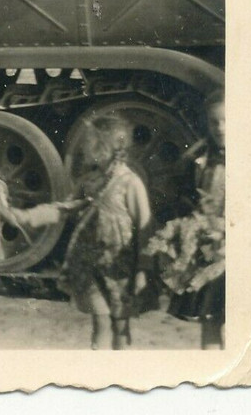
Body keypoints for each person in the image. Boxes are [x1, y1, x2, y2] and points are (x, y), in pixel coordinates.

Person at [14, 115, 154, 350]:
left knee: (120, 325)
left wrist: (143, 268)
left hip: (121, 268)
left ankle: (122, 373)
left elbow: (145, 227)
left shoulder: (130, 183)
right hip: (89, 263)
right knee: (100, 320)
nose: (88, 151)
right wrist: (27, 217)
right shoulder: (89, 181)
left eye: (94, 145)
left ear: (113, 148)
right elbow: (64, 209)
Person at [195, 89, 226, 349]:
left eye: (227, 120)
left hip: (237, 252)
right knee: (210, 318)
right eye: (214, 122)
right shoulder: (207, 161)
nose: (220, 128)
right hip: (212, 253)